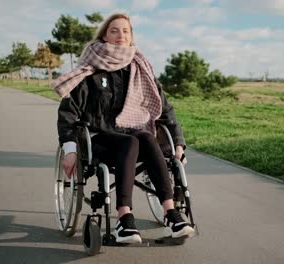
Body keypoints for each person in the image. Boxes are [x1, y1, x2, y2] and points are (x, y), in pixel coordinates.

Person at [54, 13, 195, 244]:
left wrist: (178, 143)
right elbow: (68, 113)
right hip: (99, 138)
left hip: (136, 136)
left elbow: (166, 110)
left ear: (131, 37)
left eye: (126, 31)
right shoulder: (90, 71)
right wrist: (70, 149)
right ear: (104, 36)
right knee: (132, 141)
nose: (121, 35)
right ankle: (124, 219)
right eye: (114, 30)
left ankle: (171, 214)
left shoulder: (141, 70)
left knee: (146, 138)